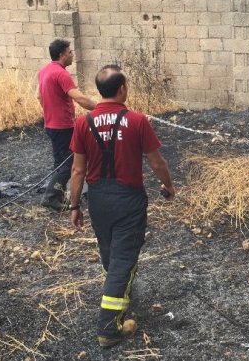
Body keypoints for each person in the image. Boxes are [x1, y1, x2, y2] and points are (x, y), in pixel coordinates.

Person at [68, 65, 175, 348]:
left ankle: (119, 298)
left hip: (99, 200)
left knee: (110, 253)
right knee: (123, 259)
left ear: (99, 90)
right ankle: (108, 327)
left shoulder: (83, 123)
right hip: (128, 199)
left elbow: (77, 172)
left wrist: (74, 206)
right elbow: (156, 162)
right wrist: (168, 185)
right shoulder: (138, 121)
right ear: (122, 89)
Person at [37, 39, 96, 211]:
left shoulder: (45, 71)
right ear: (62, 54)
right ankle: (51, 197)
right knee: (68, 162)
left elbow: (39, 96)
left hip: (51, 124)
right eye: (70, 52)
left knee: (60, 161)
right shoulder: (61, 74)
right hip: (62, 126)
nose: (72, 55)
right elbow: (79, 98)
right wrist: (102, 107)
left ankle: (58, 194)